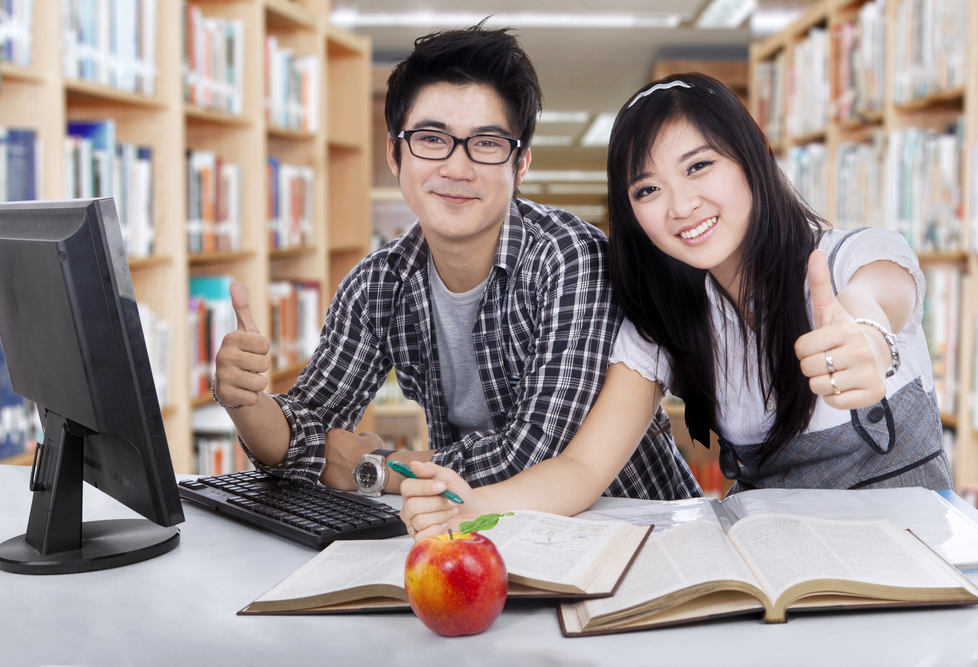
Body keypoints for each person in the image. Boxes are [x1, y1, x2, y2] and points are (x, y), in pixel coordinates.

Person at [400, 72, 954, 539]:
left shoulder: (850, 258)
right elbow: (584, 467)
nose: (682, 206)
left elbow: (877, 301)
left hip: (914, 574)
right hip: (785, 581)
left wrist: (865, 337)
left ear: (753, 154)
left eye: (698, 166)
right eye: (647, 190)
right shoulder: (664, 322)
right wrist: (470, 508)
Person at [211, 25, 700, 501]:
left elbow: (530, 455)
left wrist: (373, 469)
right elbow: (302, 438)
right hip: (484, 532)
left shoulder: (570, 259)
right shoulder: (378, 283)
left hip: (634, 529)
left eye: (487, 143)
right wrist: (246, 403)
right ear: (395, 153)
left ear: (521, 163)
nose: (457, 168)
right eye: (431, 138)